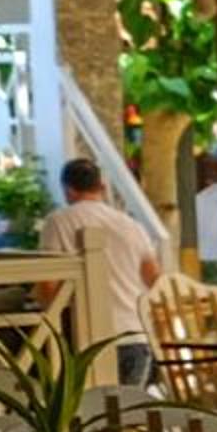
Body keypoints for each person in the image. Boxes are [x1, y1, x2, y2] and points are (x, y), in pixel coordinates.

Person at [40, 157, 164, 384]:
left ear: (68, 190)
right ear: (102, 187)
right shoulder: (130, 225)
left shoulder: (57, 222)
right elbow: (155, 280)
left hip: (88, 340)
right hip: (135, 332)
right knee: (131, 405)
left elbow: (49, 287)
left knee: (92, 405)